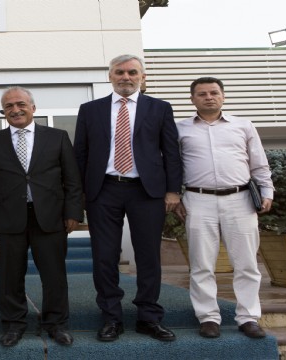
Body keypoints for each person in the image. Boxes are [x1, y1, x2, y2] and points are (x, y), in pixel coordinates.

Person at [73, 54, 182, 342]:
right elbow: (80, 154)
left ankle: (149, 317)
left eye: (132, 72)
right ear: (110, 76)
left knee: (148, 256)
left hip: (146, 191)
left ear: (141, 76)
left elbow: (171, 151)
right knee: (105, 257)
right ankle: (111, 317)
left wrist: (173, 190)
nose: (126, 77)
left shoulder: (159, 108)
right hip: (103, 190)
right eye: (119, 72)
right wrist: (80, 193)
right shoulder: (90, 109)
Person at [0, 86, 83, 347]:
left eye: (20, 104)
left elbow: (72, 179)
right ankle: (14, 324)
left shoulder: (57, 137)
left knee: (54, 275)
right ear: (3, 112)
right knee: (10, 276)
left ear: (33, 108)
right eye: (9, 106)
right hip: (7, 219)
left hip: (50, 218)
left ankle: (56, 324)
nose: (15, 109)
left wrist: (73, 212)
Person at [175, 77, 273, 339]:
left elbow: (258, 162)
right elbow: (172, 166)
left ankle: (248, 317)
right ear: (192, 99)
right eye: (202, 94)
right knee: (201, 263)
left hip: (240, 200)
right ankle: (208, 317)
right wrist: (174, 195)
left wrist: (267, 190)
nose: (209, 97)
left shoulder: (243, 125)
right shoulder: (180, 128)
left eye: (214, 92)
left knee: (247, 263)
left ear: (223, 96)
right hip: (198, 200)